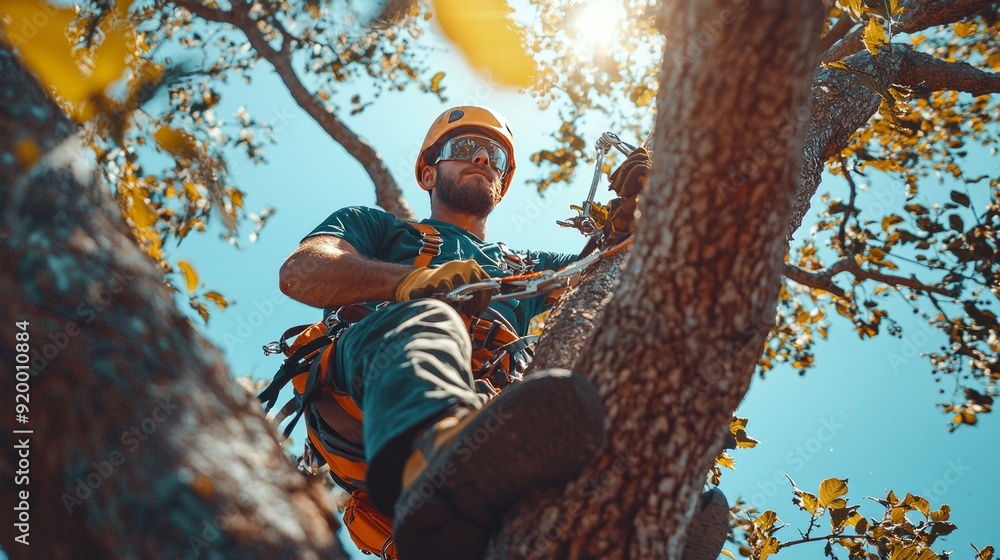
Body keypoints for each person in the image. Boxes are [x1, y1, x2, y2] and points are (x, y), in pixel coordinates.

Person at [278, 106, 721, 559]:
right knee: (431, 318)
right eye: (465, 148)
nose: (483, 159)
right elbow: (302, 270)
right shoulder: (379, 228)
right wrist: (406, 282)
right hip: (364, 394)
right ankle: (442, 460)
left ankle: (639, 532)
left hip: (492, 422)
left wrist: (644, 209)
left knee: (591, 404)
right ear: (429, 173)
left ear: (503, 182)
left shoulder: (526, 267)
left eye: (495, 156)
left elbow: (621, 272)